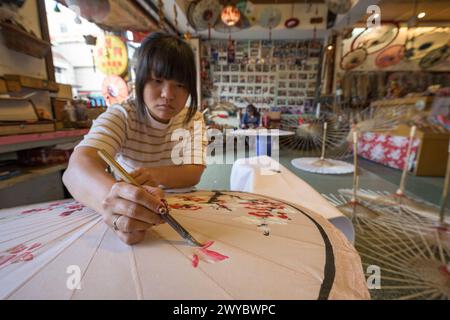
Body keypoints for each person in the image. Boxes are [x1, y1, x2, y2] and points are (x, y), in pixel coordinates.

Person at [63, 32, 207, 245]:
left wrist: (151, 174)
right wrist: (116, 202)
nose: (168, 94)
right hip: (136, 212)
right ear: (140, 80)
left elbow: (193, 172)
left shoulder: (192, 118)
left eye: (180, 85)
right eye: (157, 80)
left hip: (185, 205)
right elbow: (75, 171)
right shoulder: (122, 115)